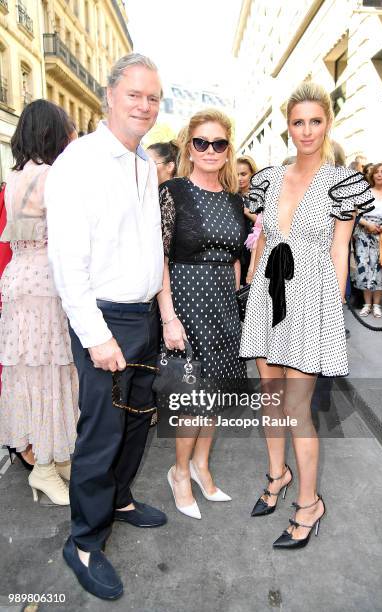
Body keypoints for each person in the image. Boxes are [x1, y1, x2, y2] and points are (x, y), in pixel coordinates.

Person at [46, 53, 167, 601]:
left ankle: (119, 499)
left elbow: (150, 246)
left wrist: (163, 312)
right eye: (135, 94)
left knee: (138, 419)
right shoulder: (80, 161)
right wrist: (95, 335)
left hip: (141, 313)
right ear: (110, 96)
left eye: (154, 98)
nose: (145, 105)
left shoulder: (142, 161)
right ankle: (85, 542)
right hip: (105, 317)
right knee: (101, 432)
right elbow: (67, 261)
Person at [240, 81, 374, 549]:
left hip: (310, 298)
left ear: (327, 123)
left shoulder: (344, 182)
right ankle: (277, 476)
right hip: (267, 296)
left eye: (315, 121)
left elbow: (340, 250)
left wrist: (333, 314)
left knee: (298, 407)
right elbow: (261, 241)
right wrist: (251, 288)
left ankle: (309, 503)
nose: (307, 130)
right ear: (288, 126)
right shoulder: (267, 179)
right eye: (298, 122)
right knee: (270, 396)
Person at [158, 108, 247, 519]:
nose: (210, 150)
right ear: (189, 148)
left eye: (219, 143)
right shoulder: (173, 192)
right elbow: (158, 256)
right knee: (191, 397)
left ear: (228, 150)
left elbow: (234, 258)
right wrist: (168, 317)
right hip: (186, 302)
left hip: (223, 306)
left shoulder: (234, 199)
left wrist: (234, 300)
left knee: (214, 395)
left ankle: (201, 465)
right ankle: (179, 472)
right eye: (202, 143)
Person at [0, 100, 78, 498]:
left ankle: (53, 454)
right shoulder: (53, 176)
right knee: (52, 373)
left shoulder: (14, 177)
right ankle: (44, 468)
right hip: (46, 282)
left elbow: (19, 233)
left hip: (18, 277)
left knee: (32, 374)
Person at [352, 163, 382, 318]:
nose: (379, 174)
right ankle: (367, 304)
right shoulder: (365, 192)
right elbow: (355, 212)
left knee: (380, 270)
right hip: (364, 234)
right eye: (376, 172)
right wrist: (367, 224)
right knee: (364, 268)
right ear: (372, 175)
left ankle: (376, 304)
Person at [237, 155, 258, 285]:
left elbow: (265, 222)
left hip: (256, 250)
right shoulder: (231, 195)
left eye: (243, 174)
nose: (239, 178)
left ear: (252, 174)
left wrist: (245, 211)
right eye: (236, 174)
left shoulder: (261, 196)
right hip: (239, 252)